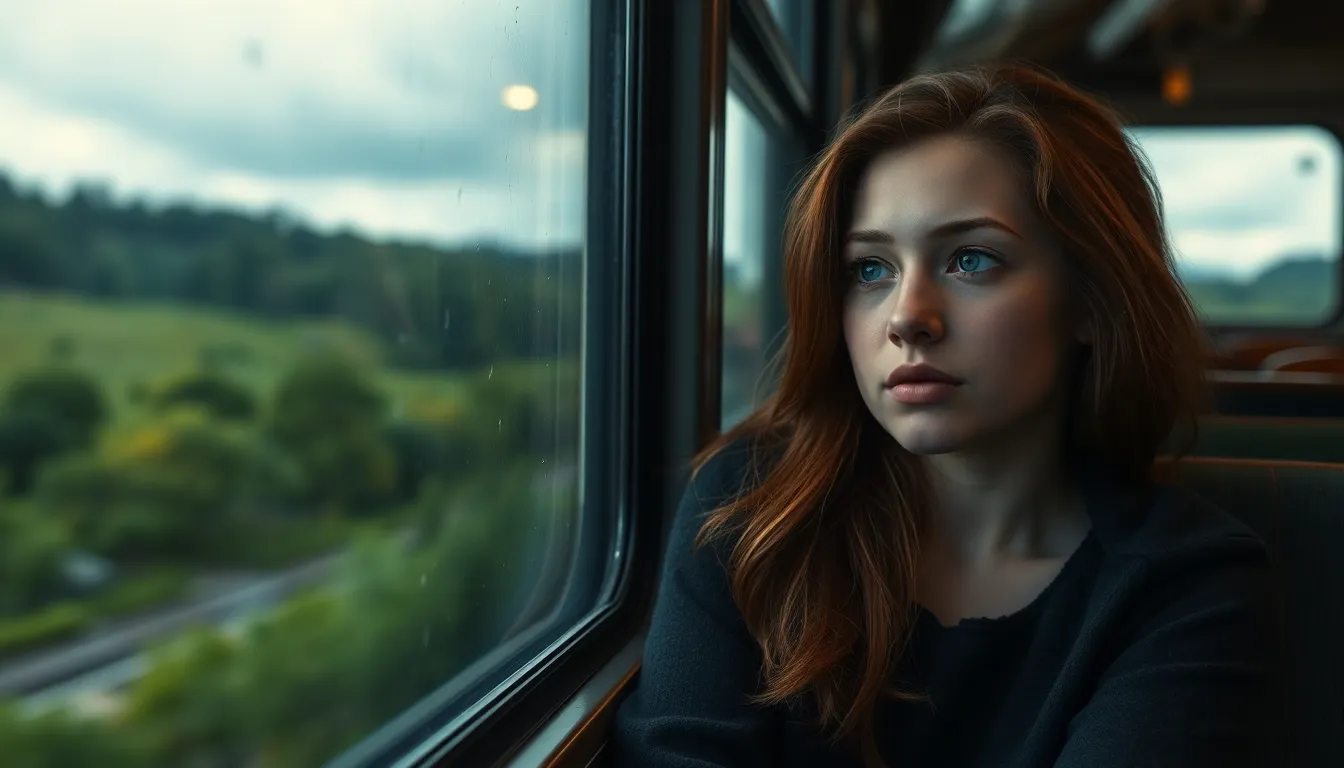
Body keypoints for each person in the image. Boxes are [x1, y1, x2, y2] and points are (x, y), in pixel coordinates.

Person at [609, 63, 1283, 768]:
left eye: (971, 260)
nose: (907, 318)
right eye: (870, 269)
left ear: (1090, 298)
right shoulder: (752, 510)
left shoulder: (1191, 583)